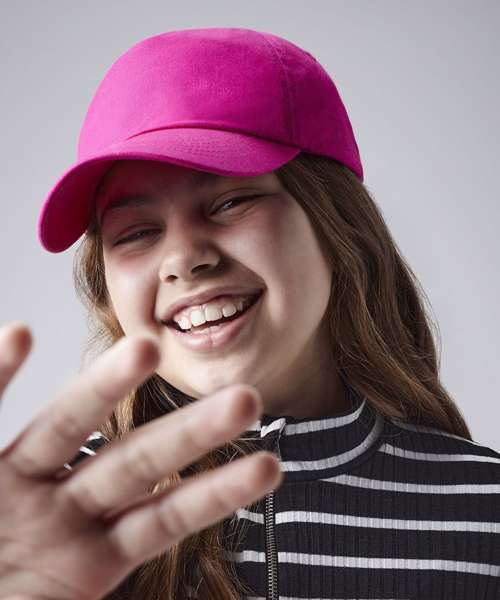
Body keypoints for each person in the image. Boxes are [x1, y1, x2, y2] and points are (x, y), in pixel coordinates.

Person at [0, 26, 498, 600]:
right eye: (135, 232)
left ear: (340, 226)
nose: (182, 259)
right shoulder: (53, 519)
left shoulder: (486, 513)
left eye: (231, 201)